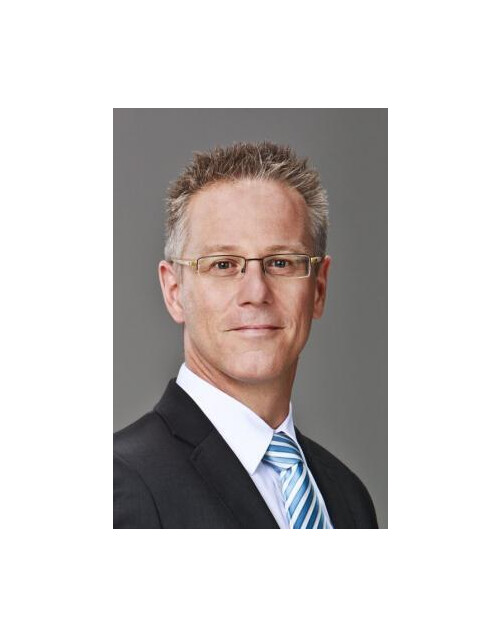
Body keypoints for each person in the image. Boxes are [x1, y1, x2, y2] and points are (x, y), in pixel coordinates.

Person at [114, 141, 378, 529]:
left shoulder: (348, 497)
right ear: (174, 291)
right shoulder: (121, 484)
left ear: (318, 288)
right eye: (222, 264)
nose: (256, 292)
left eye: (281, 262)